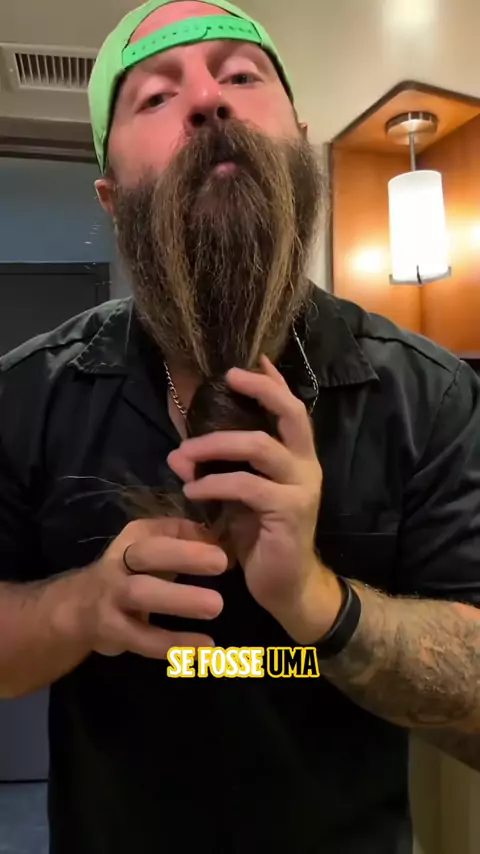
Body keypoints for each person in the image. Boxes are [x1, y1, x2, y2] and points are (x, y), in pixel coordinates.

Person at [1, 0, 480, 852]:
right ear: (111, 197)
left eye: (241, 75)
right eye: (156, 96)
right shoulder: (29, 393)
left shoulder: (428, 396)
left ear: (299, 142)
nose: (207, 99)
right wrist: (82, 606)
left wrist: (320, 603)